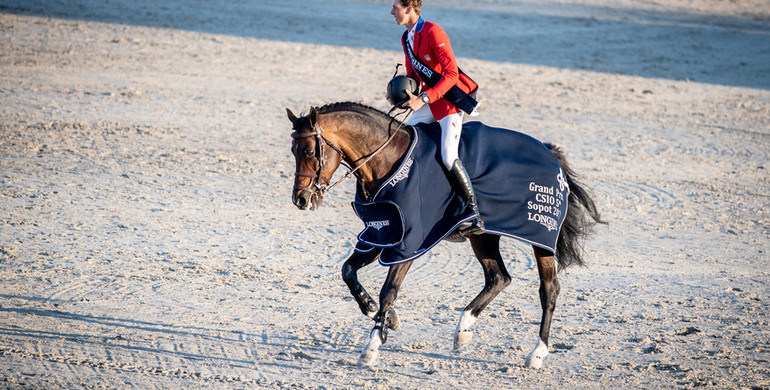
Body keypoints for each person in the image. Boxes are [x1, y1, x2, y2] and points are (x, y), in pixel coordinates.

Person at [390, 0, 484, 234]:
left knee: (448, 156)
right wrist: (405, 94)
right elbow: (414, 75)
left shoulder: (433, 31)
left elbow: (451, 75)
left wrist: (423, 99)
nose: (392, 12)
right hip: (429, 102)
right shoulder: (406, 38)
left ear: (409, 8)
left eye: (396, 7)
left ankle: (473, 213)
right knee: (402, 136)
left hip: (450, 105)